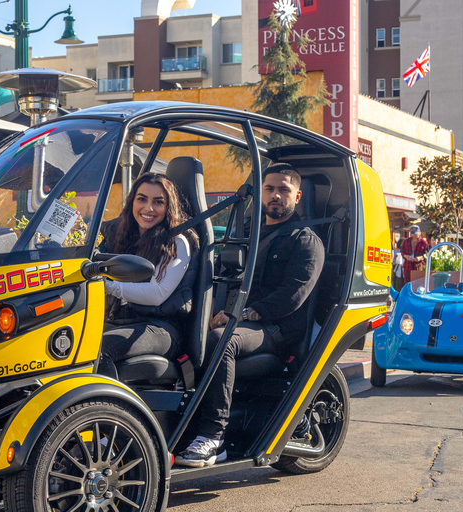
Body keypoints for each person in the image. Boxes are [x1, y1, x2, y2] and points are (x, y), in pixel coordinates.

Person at [174, 163, 325, 468]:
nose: (276, 195)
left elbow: (293, 295)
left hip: (275, 330)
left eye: (284, 190)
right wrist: (213, 311)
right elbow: (226, 279)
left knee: (219, 341)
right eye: (270, 189)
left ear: (297, 197)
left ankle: (213, 437)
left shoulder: (305, 239)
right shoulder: (244, 233)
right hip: (240, 320)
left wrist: (239, 315)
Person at [98, 173, 198, 379]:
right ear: (132, 202)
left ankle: (105, 410)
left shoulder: (178, 242)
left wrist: (108, 286)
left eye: (158, 202)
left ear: (168, 207)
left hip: (160, 328)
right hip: (122, 321)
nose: (149, 208)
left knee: (98, 350)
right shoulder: (121, 237)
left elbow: (157, 293)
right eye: (142, 199)